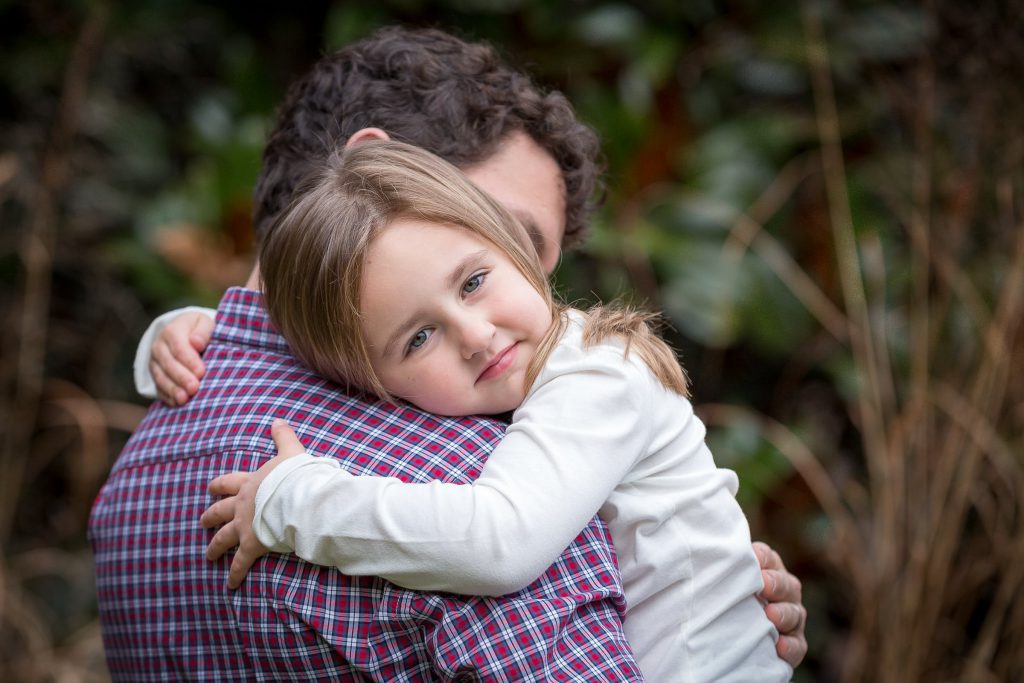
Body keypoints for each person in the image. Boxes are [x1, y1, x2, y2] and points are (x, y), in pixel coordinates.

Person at [98, 26, 804, 678]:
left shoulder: (131, 486)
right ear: (379, 168)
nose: (484, 332)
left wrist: (713, 587)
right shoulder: (446, 467)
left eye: (490, 273)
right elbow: (501, 540)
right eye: (505, 231)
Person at [195, 139, 794, 682]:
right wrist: (188, 334)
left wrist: (301, 504)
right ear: (372, 386)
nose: (476, 336)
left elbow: (502, 541)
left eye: (474, 281)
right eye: (418, 339)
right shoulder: (529, 381)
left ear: (509, 245)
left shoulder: (599, 373)